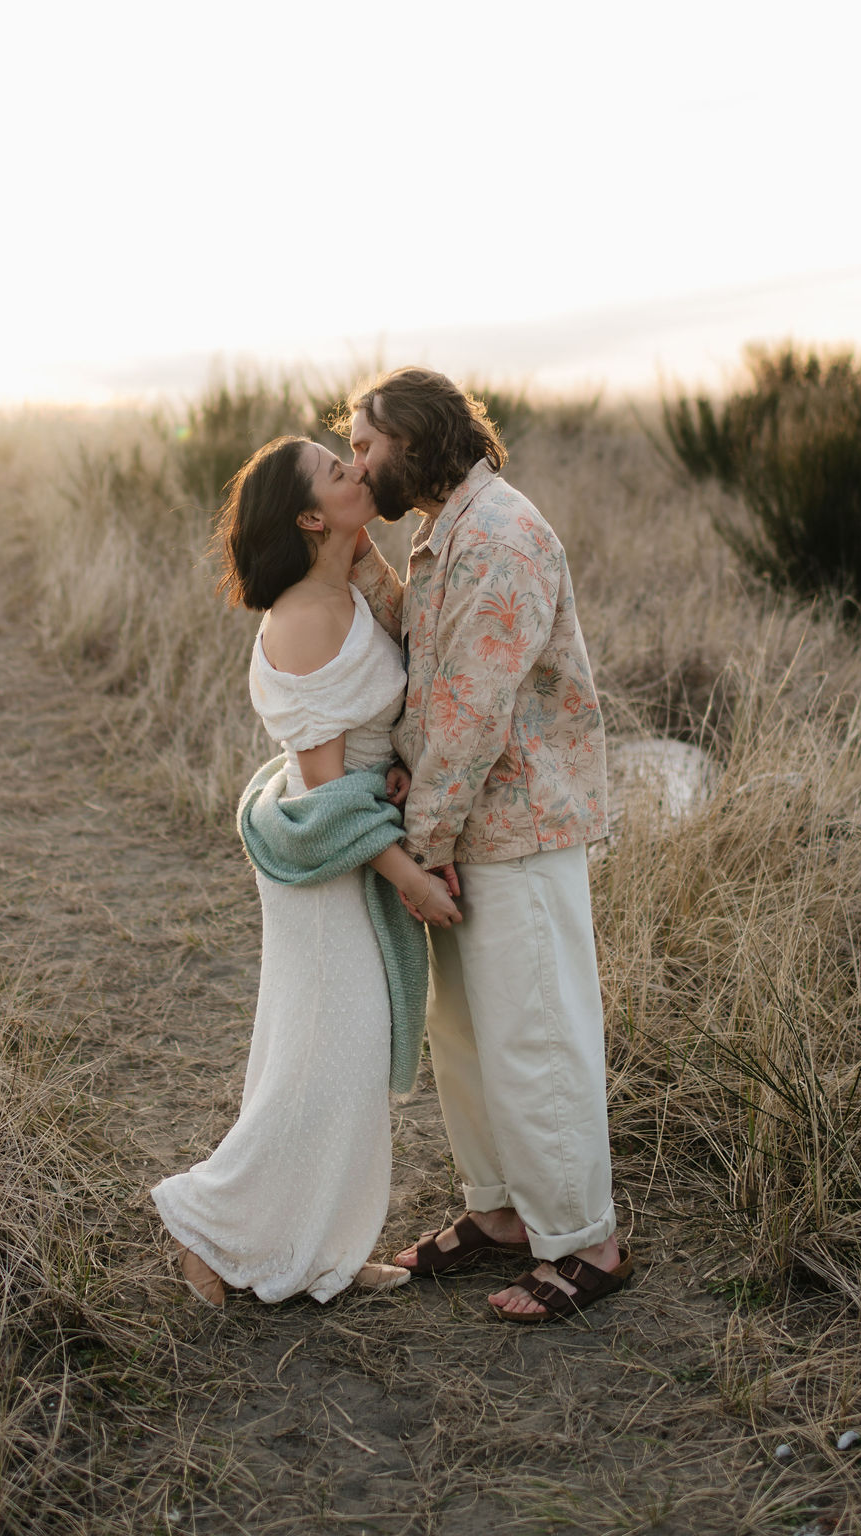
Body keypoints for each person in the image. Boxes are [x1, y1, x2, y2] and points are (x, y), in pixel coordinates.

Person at [339, 367, 633, 1323]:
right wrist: (361, 569)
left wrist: (421, 847)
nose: (355, 461)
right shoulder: (445, 527)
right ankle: (502, 1213)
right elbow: (435, 659)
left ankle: (586, 1240)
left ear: (415, 441)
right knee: (464, 1034)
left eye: (364, 444)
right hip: (464, 824)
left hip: (514, 828)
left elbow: (469, 715)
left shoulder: (500, 537)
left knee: (534, 1034)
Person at [151, 434, 461, 1309]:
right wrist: (413, 880)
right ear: (311, 517)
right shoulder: (306, 616)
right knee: (321, 1061)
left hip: (353, 839)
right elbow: (326, 801)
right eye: (338, 470)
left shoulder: (346, 587)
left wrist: (393, 772)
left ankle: (321, 1247)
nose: (358, 470)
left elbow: (367, 740)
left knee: (338, 1061)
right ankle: (204, 1223)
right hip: (327, 866)